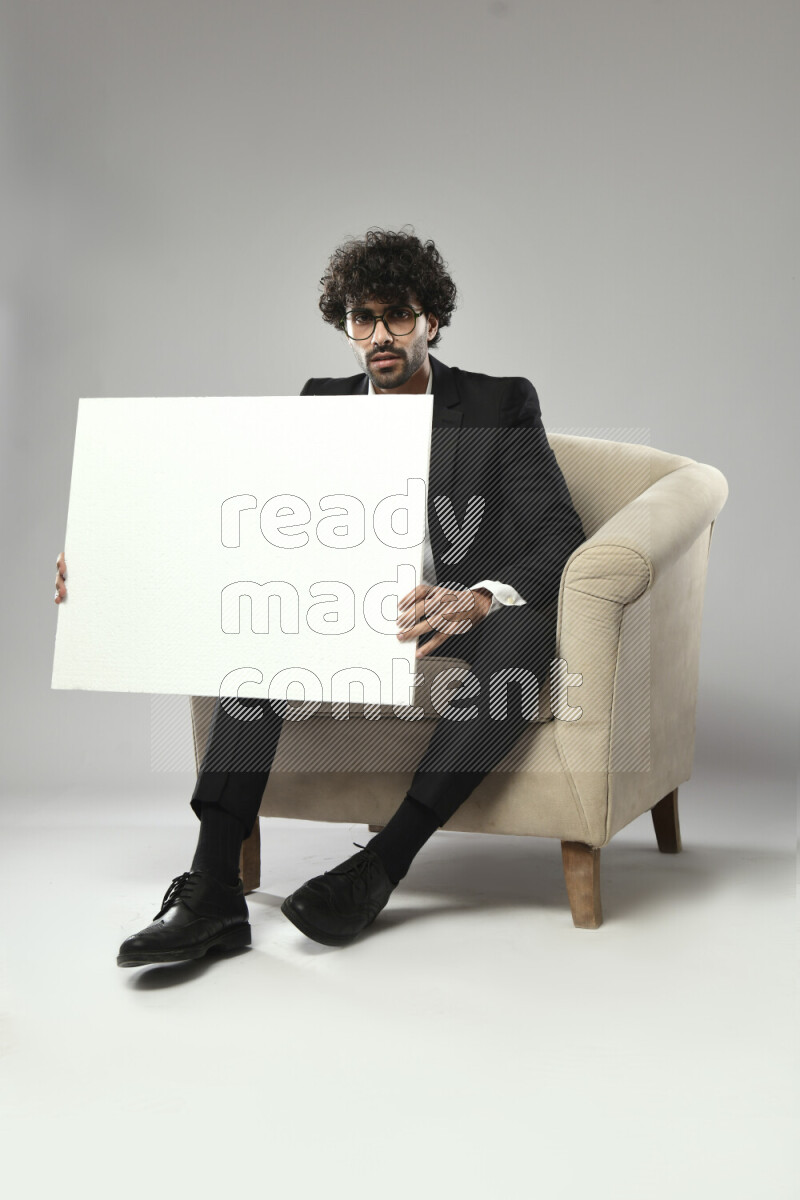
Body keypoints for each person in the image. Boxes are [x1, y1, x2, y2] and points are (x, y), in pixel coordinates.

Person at [54, 228, 586, 966]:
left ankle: (380, 866)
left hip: (450, 620)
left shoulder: (499, 402)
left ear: (431, 319)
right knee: (263, 630)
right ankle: (211, 891)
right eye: (360, 320)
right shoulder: (319, 403)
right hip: (342, 611)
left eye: (396, 316)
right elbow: (244, 529)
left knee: (528, 633)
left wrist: (481, 598)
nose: (378, 336)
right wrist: (109, 570)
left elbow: (559, 530)